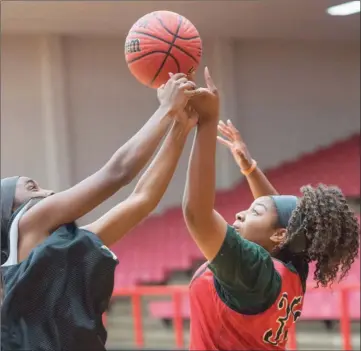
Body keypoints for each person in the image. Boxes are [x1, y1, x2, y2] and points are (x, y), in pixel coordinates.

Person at [1, 73, 198, 350]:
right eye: (31, 187)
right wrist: (166, 109)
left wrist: (180, 129)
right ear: (9, 208)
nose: (45, 191)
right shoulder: (27, 223)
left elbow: (142, 199)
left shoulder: (58, 249)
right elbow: (118, 173)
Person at [182, 67, 360, 350]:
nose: (239, 214)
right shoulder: (292, 267)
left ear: (279, 236)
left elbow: (197, 214)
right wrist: (249, 168)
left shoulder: (253, 270)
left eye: (252, 212)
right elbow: (284, 219)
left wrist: (206, 122)